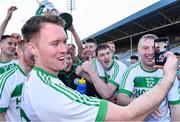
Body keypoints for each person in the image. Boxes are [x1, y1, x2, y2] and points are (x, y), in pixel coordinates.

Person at [20, 15, 178, 121]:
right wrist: (169, 77)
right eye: (55, 43)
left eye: (64, 41)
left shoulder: (41, 79)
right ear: (33, 48)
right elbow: (128, 116)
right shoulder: (49, 92)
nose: (64, 49)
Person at [117, 34, 180, 121]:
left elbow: (175, 106)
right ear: (138, 51)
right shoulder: (131, 70)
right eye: (145, 48)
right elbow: (121, 99)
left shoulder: (169, 70)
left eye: (154, 48)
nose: (150, 52)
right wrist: (145, 104)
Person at [0, 40, 35, 121]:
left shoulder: (41, 76)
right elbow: (1, 115)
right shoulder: (7, 79)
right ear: (20, 52)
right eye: (31, 49)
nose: (35, 53)